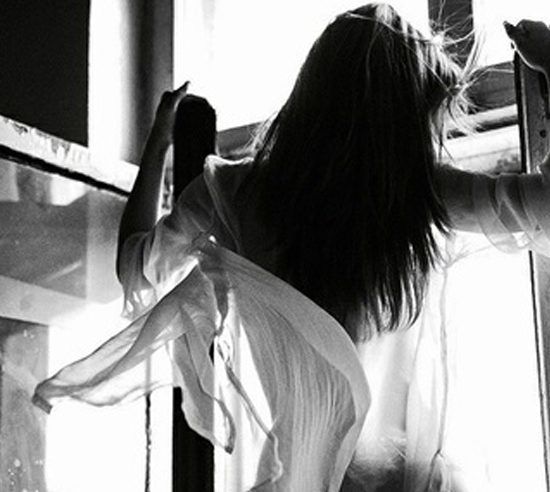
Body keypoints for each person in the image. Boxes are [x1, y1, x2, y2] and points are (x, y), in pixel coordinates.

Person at [33, 4, 550, 491]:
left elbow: (135, 269)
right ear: (404, 118)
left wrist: (158, 143)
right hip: (410, 479)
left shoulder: (235, 195)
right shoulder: (420, 196)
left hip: (299, 475)